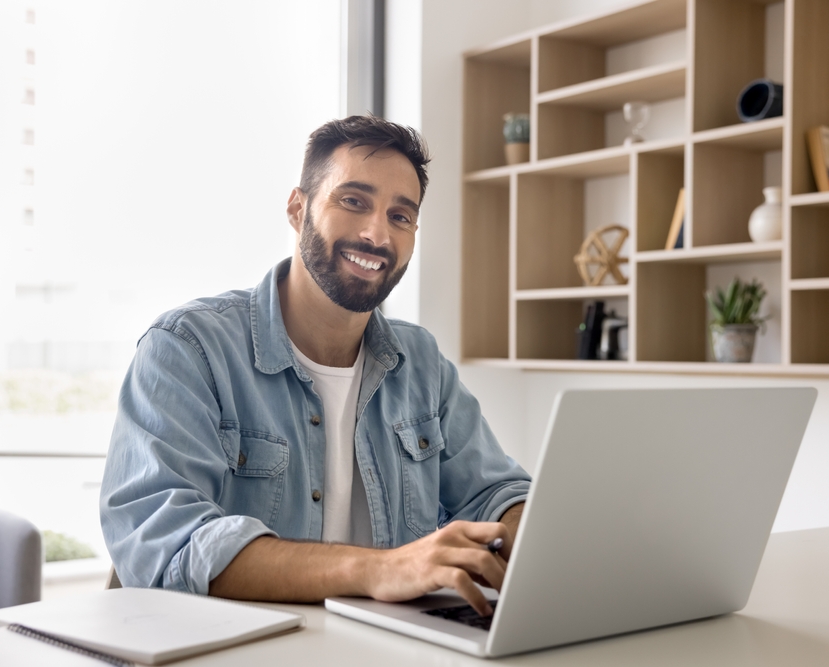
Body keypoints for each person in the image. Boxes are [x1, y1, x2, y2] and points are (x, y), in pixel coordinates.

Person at [100, 116, 531, 617]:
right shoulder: (188, 347)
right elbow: (165, 543)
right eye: (353, 201)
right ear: (297, 208)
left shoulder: (421, 363)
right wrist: (381, 569)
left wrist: (524, 535)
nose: (377, 233)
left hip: (382, 649)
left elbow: (498, 492)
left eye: (401, 216)